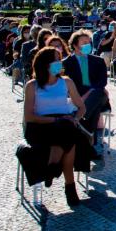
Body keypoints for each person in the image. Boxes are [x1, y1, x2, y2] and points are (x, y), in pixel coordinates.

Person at [23, 47, 89, 206]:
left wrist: (75, 119)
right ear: (45, 63)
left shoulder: (66, 82)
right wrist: (55, 121)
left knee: (67, 129)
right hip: (40, 125)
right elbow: (29, 116)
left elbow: (81, 107)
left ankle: (52, 168)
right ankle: (69, 186)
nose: (60, 62)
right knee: (68, 135)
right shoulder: (32, 86)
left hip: (64, 123)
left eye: (60, 58)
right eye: (55, 59)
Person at [61, 30, 110, 154]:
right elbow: (64, 85)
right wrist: (78, 98)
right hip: (75, 99)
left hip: (94, 95)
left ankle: (80, 120)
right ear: (75, 45)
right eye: (84, 43)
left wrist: (87, 95)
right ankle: (88, 138)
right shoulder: (66, 63)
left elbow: (102, 82)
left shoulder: (98, 61)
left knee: (100, 93)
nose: (88, 45)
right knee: (96, 106)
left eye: (89, 42)